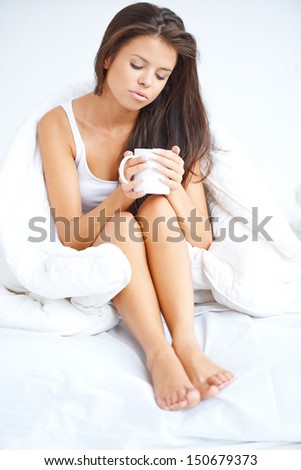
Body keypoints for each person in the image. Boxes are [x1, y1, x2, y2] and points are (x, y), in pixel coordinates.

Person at [38, 2, 234, 411]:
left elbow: (201, 238)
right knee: (124, 223)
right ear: (108, 57)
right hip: (105, 239)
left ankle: (187, 345)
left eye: (161, 75)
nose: (147, 83)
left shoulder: (177, 124)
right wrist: (119, 197)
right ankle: (159, 354)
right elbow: (70, 237)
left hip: (160, 238)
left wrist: (176, 185)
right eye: (137, 65)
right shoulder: (60, 125)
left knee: (158, 208)